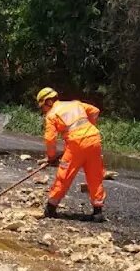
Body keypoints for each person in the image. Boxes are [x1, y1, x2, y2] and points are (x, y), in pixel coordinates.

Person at [36, 87, 105, 222]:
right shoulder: (75, 104)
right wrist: (86, 130)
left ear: (49, 102)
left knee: (64, 174)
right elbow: (95, 112)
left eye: (43, 106)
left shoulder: (52, 115)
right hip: (94, 139)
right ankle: (98, 211)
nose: (43, 110)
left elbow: (50, 139)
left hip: (76, 144)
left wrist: (51, 157)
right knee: (94, 174)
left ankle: (51, 208)